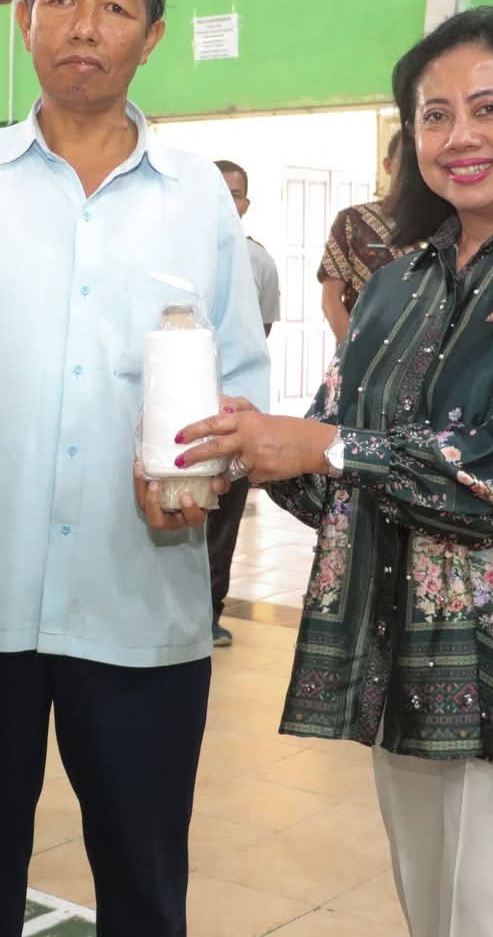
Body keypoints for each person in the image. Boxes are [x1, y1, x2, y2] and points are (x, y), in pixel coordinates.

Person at [177, 7, 493, 936]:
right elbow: (336, 464)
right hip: (411, 642)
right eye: (435, 115)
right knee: (432, 910)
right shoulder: (397, 284)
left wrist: (327, 446)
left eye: (488, 108)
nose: (459, 136)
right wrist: (251, 444)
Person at [0, 0, 270, 937]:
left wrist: (207, 473)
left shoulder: (197, 198)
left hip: (137, 603)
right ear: (24, 17)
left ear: (152, 36)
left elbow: (239, 381)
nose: (84, 26)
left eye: (114, 7)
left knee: (142, 887)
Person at [208, 159, 281, 647]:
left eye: (234, 193)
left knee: (223, 518)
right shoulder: (172, 247)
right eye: (216, 189)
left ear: (246, 203)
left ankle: (209, 613)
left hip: (232, 407)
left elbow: (261, 330)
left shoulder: (259, 261)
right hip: (174, 407)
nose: (224, 200)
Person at [319, 130, 415, 339]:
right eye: (406, 160)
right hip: (362, 349)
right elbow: (330, 299)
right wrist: (352, 349)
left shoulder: (449, 226)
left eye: (419, 161)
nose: (413, 169)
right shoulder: (352, 221)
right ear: (388, 165)